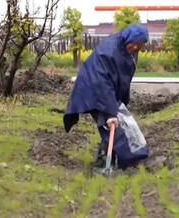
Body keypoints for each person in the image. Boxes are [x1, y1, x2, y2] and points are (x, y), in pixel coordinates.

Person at [64, 24, 149, 169]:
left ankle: (125, 157)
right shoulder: (109, 52)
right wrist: (111, 112)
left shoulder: (129, 51)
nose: (136, 48)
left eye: (139, 45)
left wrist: (122, 103)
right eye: (134, 44)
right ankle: (114, 160)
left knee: (123, 122)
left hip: (106, 91)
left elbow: (123, 78)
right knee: (110, 124)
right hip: (92, 89)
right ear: (127, 39)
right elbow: (102, 83)